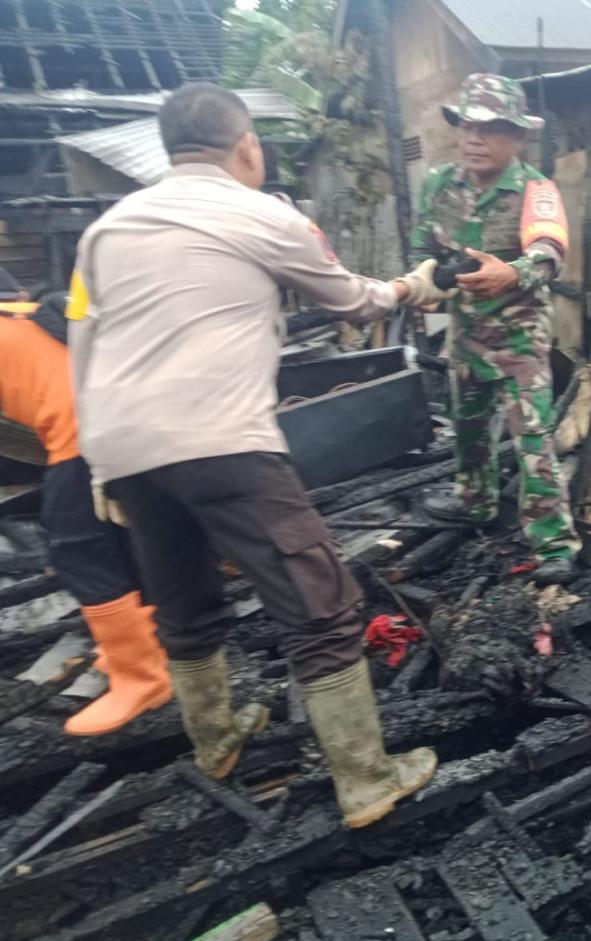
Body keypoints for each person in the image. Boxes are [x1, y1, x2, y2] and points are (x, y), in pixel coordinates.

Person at [66, 83, 446, 829]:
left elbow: (83, 344)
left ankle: (215, 740)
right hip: (219, 441)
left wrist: (101, 464)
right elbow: (352, 301)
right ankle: (368, 780)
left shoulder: (103, 233)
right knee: (322, 605)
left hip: (123, 445)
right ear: (247, 147)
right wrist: (415, 285)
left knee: (182, 599)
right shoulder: (265, 212)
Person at [410, 73, 580, 586]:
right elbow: (422, 249)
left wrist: (514, 273)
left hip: (520, 337)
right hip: (465, 332)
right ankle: (477, 504)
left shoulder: (535, 189)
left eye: (489, 128)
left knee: (532, 440)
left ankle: (554, 543)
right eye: (467, 125)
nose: (474, 138)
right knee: (466, 429)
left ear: (517, 137)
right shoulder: (440, 185)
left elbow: (550, 251)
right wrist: (425, 279)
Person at [0, 285, 172, 736]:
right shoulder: (13, 311)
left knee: (76, 550)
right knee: (121, 534)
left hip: (85, 423)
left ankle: (142, 678)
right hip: (129, 406)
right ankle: (154, 639)